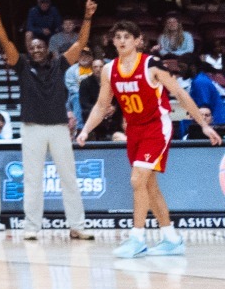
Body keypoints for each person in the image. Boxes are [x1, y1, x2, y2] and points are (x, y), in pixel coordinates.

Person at [78, 21, 223, 257]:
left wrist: (203, 125)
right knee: (148, 185)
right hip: (134, 130)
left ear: (138, 41)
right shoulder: (108, 69)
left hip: (156, 127)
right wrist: (85, 130)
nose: (122, 40)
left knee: (137, 180)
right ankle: (171, 238)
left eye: (127, 36)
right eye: (118, 37)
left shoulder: (151, 64)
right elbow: (102, 105)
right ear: (113, 41)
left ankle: (137, 238)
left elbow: (179, 92)